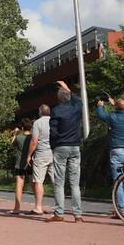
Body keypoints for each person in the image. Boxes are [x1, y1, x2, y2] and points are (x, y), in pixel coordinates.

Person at [47, 81, 83, 223]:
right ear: (68, 97)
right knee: (75, 183)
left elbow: (53, 131)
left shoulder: (55, 110)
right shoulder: (76, 108)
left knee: (59, 182)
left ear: (58, 98)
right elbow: (79, 101)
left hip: (61, 147)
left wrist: (53, 144)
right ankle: (77, 215)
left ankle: (59, 213)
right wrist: (68, 88)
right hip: (75, 147)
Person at [96, 97, 124, 219]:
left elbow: (102, 116)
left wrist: (100, 106)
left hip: (117, 151)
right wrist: (116, 105)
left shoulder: (112, 117)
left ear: (115, 108)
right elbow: (123, 111)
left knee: (118, 181)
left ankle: (121, 211)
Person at [27, 104, 53, 215]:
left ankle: (38, 207)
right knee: (56, 180)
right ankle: (59, 207)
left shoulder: (37, 123)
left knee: (38, 181)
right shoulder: (54, 121)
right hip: (54, 153)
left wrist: (29, 155)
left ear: (40, 112)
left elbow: (34, 141)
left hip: (41, 154)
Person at [9, 118, 33, 214]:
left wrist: (15, 134)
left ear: (22, 127)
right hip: (31, 163)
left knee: (19, 185)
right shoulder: (33, 137)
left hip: (20, 164)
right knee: (35, 184)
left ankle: (17, 207)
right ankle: (38, 206)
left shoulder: (19, 137)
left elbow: (11, 144)